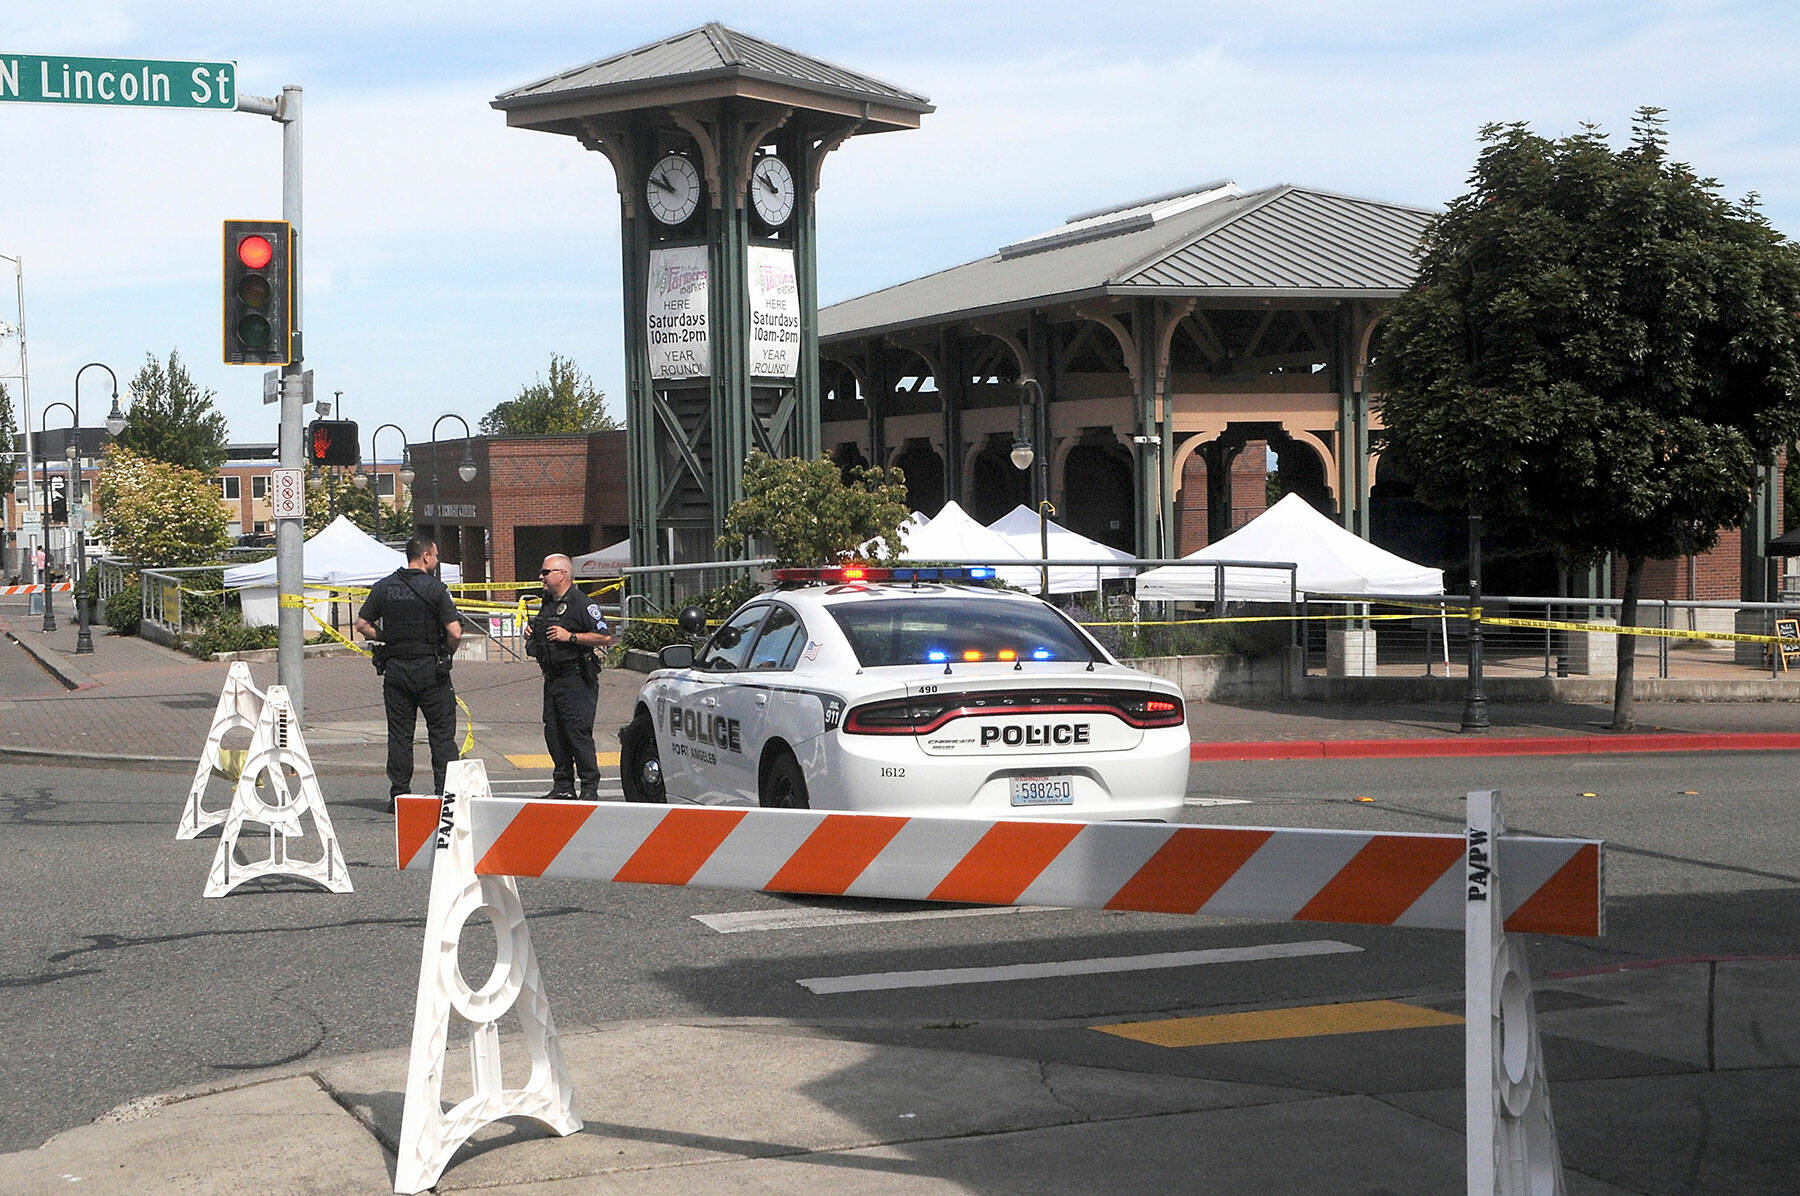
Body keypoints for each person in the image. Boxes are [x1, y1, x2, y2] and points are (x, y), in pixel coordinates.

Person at [354, 536, 463, 808]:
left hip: (396, 670)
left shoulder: (384, 587)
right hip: (430, 670)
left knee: (400, 734)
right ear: (425, 556)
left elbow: (361, 624)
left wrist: (388, 636)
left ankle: (399, 794)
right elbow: (455, 631)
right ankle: (444, 794)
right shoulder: (436, 589)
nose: (436, 561)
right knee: (441, 733)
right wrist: (447, 652)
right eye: (435, 556)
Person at [525, 553, 614, 800]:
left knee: (577, 733)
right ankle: (563, 785)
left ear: (563, 574)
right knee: (553, 733)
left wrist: (571, 637)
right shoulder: (548, 603)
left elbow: (605, 637)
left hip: (576, 679)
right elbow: (543, 633)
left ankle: (589, 788)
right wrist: (532, 632)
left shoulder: (582, 604)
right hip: (552, 678)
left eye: (546, 572)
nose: (541, 576)